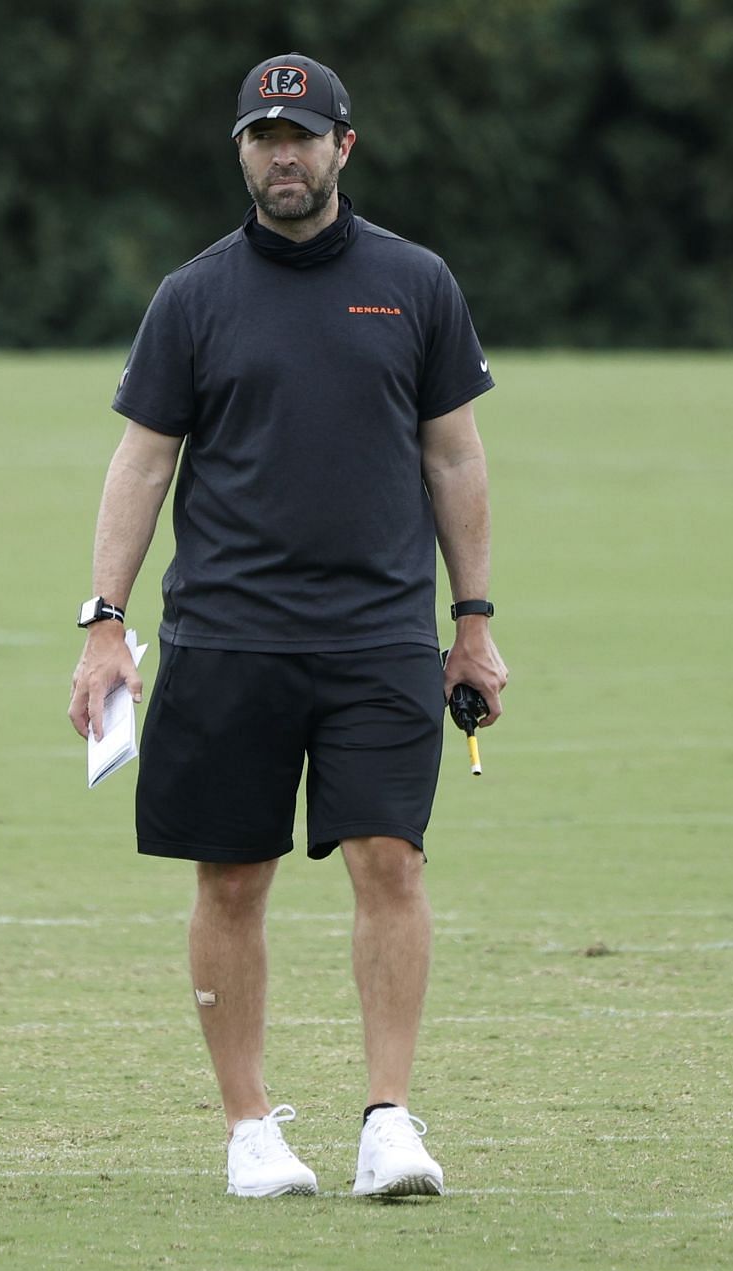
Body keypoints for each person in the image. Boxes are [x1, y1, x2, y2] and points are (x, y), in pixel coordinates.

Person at [67, 53, 508, 1200]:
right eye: (264, 138)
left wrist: (474, 621)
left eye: (303, 136)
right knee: (230, 880)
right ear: (243, 152)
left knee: (390, 861)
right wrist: (105, 622)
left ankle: (388, 1120)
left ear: (343, 148)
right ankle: (250, 1127)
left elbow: (454, 454)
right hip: (226, 636)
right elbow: (143, 458)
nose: (284, 155)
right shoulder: (194, 294)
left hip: (376, 634)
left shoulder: (416, 283)